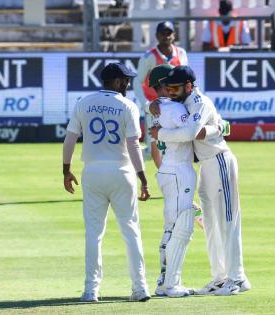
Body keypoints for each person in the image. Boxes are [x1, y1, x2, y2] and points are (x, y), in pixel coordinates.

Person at [149, 65, 251, 296]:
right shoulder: (183, 102)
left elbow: (190, 133)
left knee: (228, 221)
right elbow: (216, 125)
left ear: (188, 86)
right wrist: (151, 104)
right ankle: (220, 277)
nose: (171, 92)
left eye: (175, 87)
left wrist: (160, 135)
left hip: (220, 160)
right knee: (211, 224)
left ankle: (237, 278)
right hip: (206, 165)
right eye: (169, 87)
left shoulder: (200, 102)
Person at [62, 62, 151, 303]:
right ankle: (140, 288)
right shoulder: (127, 105)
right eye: (125, 80)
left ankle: (91, 291)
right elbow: (133, 145)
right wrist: (142, 177)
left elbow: (70, 138)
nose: (128, 84)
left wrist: (66, 170)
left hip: (92, 172)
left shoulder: (84, 102)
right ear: (117, 81)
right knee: (131, 231)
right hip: (121, 172)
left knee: (94, 233)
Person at [133, 20, 188, 154]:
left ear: (174, 35)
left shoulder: (180, 53)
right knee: (154, 147)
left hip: (176, 105)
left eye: (169, 33)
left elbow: (185, 78)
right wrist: (147, 105)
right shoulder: (149, 57)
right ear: (157, 36)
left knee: (176, 143)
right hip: (156, 107)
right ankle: (136, 161)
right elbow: (137, 81)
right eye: (163, 33)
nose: (166, 36)